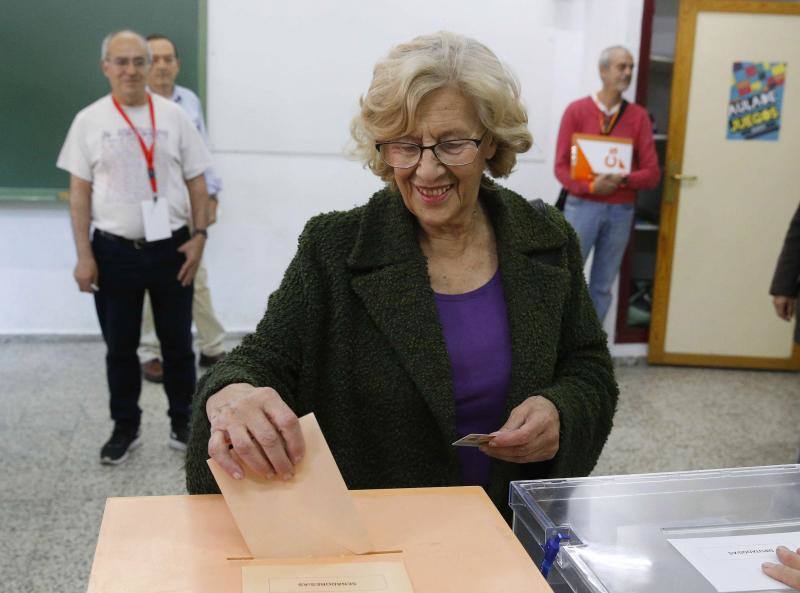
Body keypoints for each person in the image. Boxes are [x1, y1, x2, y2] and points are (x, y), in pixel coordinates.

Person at [185, 31, 619, 521]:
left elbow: (588, 367)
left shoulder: (546, 240)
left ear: (491, 140)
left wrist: (562, 410)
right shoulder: (335, 248)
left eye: (452, 144)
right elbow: (262, 359)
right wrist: (232, 393)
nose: (427, 171)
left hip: (513, 529)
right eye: (406, 146)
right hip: (382, 538)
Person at [57, 30, 212, 464]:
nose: (131, 70)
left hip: (172, 248)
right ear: (106, 66)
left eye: (138, 62)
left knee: (178, 345)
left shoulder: (174, 116)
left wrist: (200, 238)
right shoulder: (88, 121)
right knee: (121, 349)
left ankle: (185, 422)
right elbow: (80, 192)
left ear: (149, 66)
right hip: (113, 252)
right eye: (120, 62)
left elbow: (197, 180)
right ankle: (126, 426)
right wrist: (84, 256)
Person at [138, 34, 227, 384]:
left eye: (167, 58)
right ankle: (150, 351)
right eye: (154, 59)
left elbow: (201, 153)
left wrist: (212, 196)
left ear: (176, 63)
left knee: (195, 275)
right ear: (144, 65)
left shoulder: (187, 101)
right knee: (150, 279)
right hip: (148, 207)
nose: (161, 65)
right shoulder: (134, 105)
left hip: (186, 204)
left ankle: (212, 346)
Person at [554, 45, 660, 322]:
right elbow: (561, 168)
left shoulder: (639, 118)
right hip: (581, 207)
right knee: (567, 279)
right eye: (621, 66)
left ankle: (591, 355)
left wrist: (623, 179)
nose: (628, 72)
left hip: (620, 211)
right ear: (603, 71)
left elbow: (652, 174)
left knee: (602, 287)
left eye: (631, 67)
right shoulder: (576, 111)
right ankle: (559, 351)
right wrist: (591, 188)